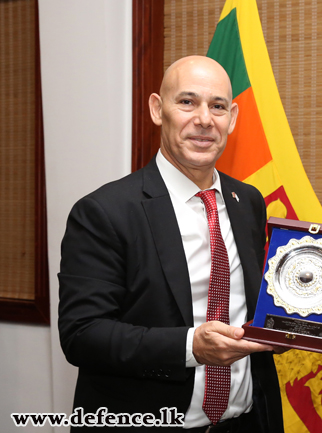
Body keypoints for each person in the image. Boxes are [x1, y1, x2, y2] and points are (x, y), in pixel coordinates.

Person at [58, 56, 284, 432]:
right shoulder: (104, 212)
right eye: (187, 102)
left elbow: (256, 304)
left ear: (234, 117)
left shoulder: (249, 202)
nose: (204, 120)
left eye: (217, 106)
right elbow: (82, 335)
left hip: (246, 423)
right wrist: (191, 347)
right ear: (156, 109)